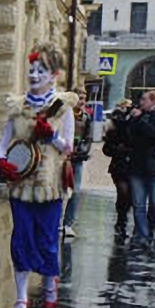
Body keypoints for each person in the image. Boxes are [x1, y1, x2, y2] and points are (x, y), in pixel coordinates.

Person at [0, 47, 77, 308]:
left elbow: (68, 149)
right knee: (21, 240)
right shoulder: (17, 107)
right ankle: (21, 299)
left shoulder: (63, 108)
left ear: (53, 76)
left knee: (48, 240)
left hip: (50, 187)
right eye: (31, 70)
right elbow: (3, 145)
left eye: (40, 71)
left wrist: (51, 135)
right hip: (21, 187)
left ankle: (50, 288)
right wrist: (1, 162)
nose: (33, 75)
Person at [126, 90, 155, 251]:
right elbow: (128, 136)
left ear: (153, 101)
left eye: (144, 99)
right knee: (138, 205)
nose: (141, 101)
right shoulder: (136, 117)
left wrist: (140, 121)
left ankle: (149, 232)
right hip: (137, 166)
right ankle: (144, 236)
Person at [61, 94, 95, 239]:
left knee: (75, 191)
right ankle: (56, 221)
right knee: (59, 190)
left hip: (77, 158)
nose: (82, 102)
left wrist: (83, 150)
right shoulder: (63, 114)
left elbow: (89, 137)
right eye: (79, 98)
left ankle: (68, 224)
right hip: (61, 157)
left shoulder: (86, 117)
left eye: (83, 98)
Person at [103, 99, 135, 239]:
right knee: (123, 191)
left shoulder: (137, 123)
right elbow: (107, 148)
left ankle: (122, 217)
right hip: (119, 165)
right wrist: (118, 149)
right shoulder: (115, 125)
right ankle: (121, 219)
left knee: (129, 195)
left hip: (133, 165)